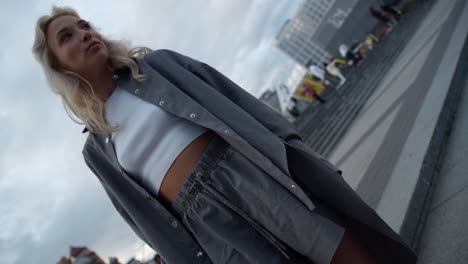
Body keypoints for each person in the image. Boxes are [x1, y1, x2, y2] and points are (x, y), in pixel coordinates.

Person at [32, 6, 417, 264]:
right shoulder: (95, 150)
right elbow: (140, 218)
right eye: (67, 36)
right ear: (58, 67)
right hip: (204, 222)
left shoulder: (156, 66)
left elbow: (241, 102)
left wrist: (296, 152)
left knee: (339, 249)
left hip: (241, 172)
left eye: (84, 25)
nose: (84, 33)